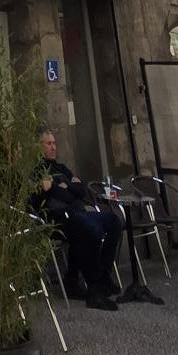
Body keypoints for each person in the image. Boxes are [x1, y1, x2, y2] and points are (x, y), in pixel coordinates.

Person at [31, 129, 121, 311]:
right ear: (39, 147)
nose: (53, 147)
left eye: (54, 143)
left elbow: (81, 190)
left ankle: (103, 276)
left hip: (79, 212)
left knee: (114, 222)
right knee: (91, 230)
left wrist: (62, 187)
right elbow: (43, 199)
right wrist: (65, 188)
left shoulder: (62, 168)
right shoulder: (38, 171)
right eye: (48, 144)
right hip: (58, 218)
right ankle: (94, 288)